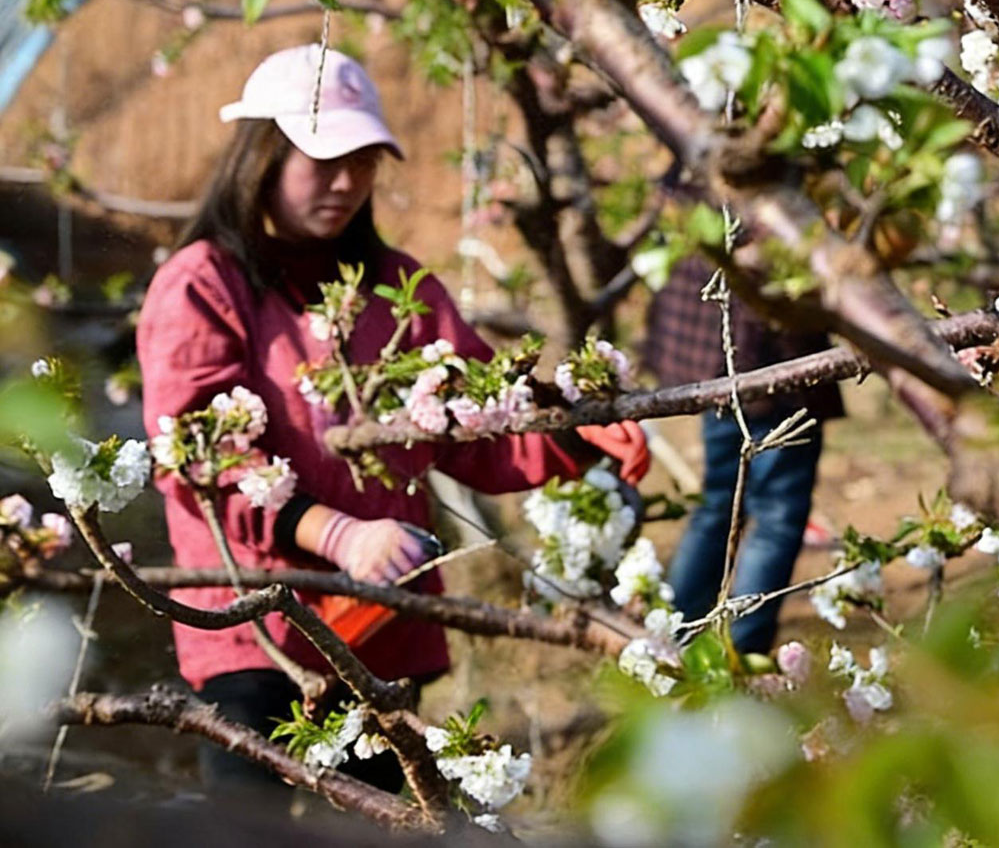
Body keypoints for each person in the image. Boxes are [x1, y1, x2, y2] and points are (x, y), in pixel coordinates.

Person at [137, 45, 650, 791]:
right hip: (260, 632)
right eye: (325, 159)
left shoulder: (397, 288)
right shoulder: (203, 285)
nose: (347, 181)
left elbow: (476, 421)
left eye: (365, 159)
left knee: (382, 824)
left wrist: (573, 426)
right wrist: (338, 533)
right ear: (262, 154)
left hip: (382, 627)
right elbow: (201, 456)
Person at [644, 205, 843, 657]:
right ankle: (737, 658)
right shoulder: (779, 166)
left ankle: (675, 644)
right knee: (775, 513)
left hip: (710, 337)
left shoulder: (702, 143)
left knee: (719, 503)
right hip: (771, 349)